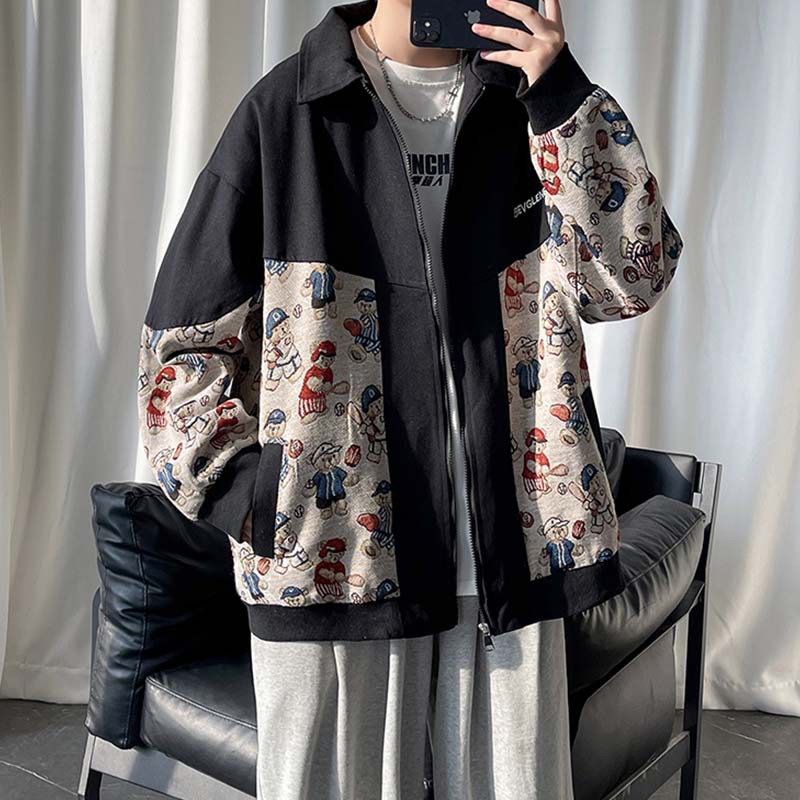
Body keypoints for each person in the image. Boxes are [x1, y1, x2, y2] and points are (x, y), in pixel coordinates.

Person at [136, 0, 684, 797]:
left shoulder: (531, 108)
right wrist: (257, 499)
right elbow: (178, 347)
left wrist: (562, 95)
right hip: (332, 565)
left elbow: (633, 277)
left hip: (514, 561)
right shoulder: (287, 113)